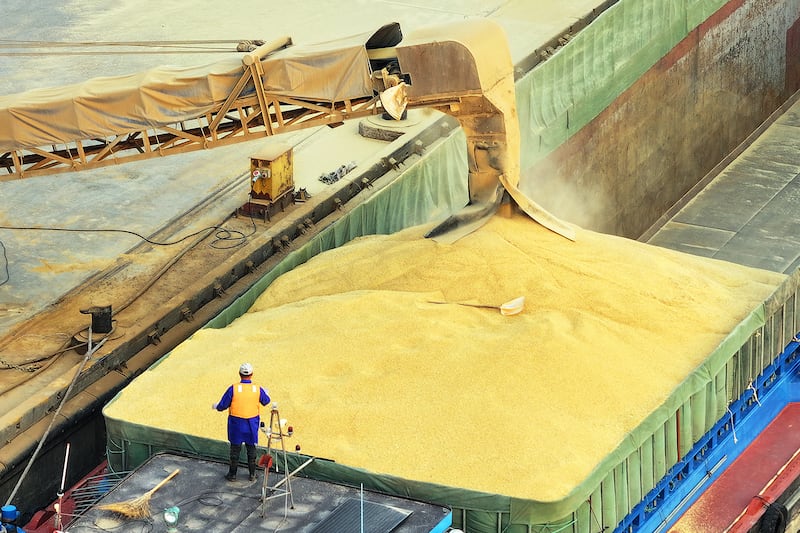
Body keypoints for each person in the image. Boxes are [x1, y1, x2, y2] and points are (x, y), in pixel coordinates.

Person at [213, 362, 270, 481]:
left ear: (239, 374)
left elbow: (223, 405)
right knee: (251, 449)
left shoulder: (233, 388)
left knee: (235, 449)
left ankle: (232, 474)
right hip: (251, 423)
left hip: (236, 424)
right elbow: (266, 401)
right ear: (252, 374)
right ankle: (252, 474)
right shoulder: (257, 388)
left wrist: (217, 407)